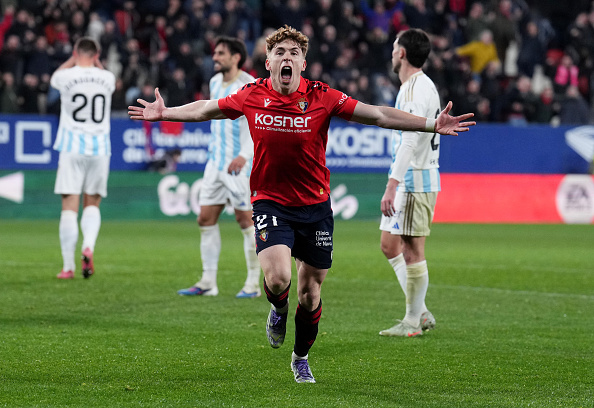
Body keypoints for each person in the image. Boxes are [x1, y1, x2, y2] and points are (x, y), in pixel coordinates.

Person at [129, 25, 474, 384]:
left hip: (315, 207)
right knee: (278, 278)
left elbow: (378, 115)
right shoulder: (251, 94)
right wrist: (165, 113)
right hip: (270, 202)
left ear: (303, 64)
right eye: (280, 52)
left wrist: (431, 124)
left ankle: (300, 357)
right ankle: (278, 309)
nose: (287, 57)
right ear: (268, 63)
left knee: (310, 295)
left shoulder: (322, 96)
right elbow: (206, 109)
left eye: (294, 53)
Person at [176, 36, 261, 299]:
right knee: (205, 218)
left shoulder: (249, 85)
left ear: (236, 57)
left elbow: (257, 123)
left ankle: (253, 284)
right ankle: (207, 282)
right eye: (215, 53)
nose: (215, 57)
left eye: (221, 53)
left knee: (246, 220)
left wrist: (245, 155)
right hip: (215, 163)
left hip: (239, 164)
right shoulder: (214, 82)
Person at [378, 28, 441, 338]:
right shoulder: (413, 86)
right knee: (389, 245)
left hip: (415, 181)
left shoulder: (415, 89)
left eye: (394, 48)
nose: (392, 53)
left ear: (401, 53)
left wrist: (392, 184)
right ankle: (421, 311)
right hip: (410, 180)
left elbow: (411, 140)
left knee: (413, 251)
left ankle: (413, 321)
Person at [52, 37, 116, 279]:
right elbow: (103, 73)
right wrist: (96, 62)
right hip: (100, 148)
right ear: (97, 55)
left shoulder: (65, 76)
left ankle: (68, 267)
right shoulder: (107, 78)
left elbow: (55, 77)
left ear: (76, 52)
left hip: (72, 147)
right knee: (92, 204)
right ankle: (88, 245)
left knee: (69, 207)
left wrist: (73, 59)